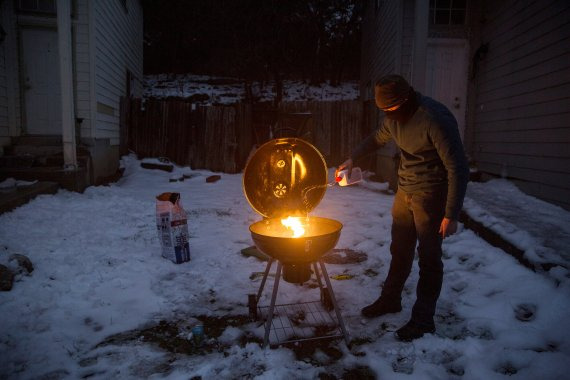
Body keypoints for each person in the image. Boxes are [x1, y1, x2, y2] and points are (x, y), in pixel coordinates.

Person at [337, 74, 469, 341]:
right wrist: (352, 158)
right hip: (405, 190)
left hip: (431, 194)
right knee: (399, 250)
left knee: (429, 259)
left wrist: (451, 214)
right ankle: (390, 300)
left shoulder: (434, 118)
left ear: (405, 99)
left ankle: (423, 320)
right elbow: (376, 138)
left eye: (390, 110)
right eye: (383, 110)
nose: (387, 115)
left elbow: (458, 168)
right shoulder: (393, 118)